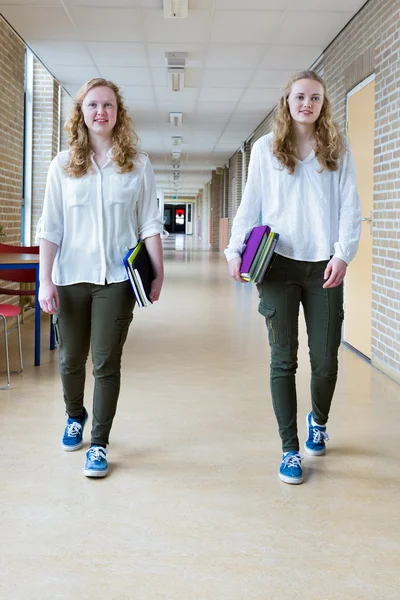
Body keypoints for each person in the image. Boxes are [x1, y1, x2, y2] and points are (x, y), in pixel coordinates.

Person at [225, 71, 361, 485]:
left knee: (325, 360)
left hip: (324, 266)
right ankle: (290, 449)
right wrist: (234, 250)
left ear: (323, 104)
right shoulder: (266, 148)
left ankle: (318, 419)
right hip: (278, 265)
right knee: (283, 359)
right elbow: (251, 205)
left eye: (315, 98)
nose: (307, 104)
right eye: (299, 97)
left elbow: (350, 205)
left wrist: (343, 254)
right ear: (286, 101)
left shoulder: (336, 148)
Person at [37, 78, 164, 478]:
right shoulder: (62, 165)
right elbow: (50, 227)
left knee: (106, 362)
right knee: (71, 359)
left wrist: (158, 272)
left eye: (108, 106)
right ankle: (76, 414)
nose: (101, 112)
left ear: (118, 113)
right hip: (71, 276)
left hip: (118, 280)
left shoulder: (138, 164)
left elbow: (149, 222)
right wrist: (45, 280)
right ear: (82, 113)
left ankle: (100, 443)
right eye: (93, 105)